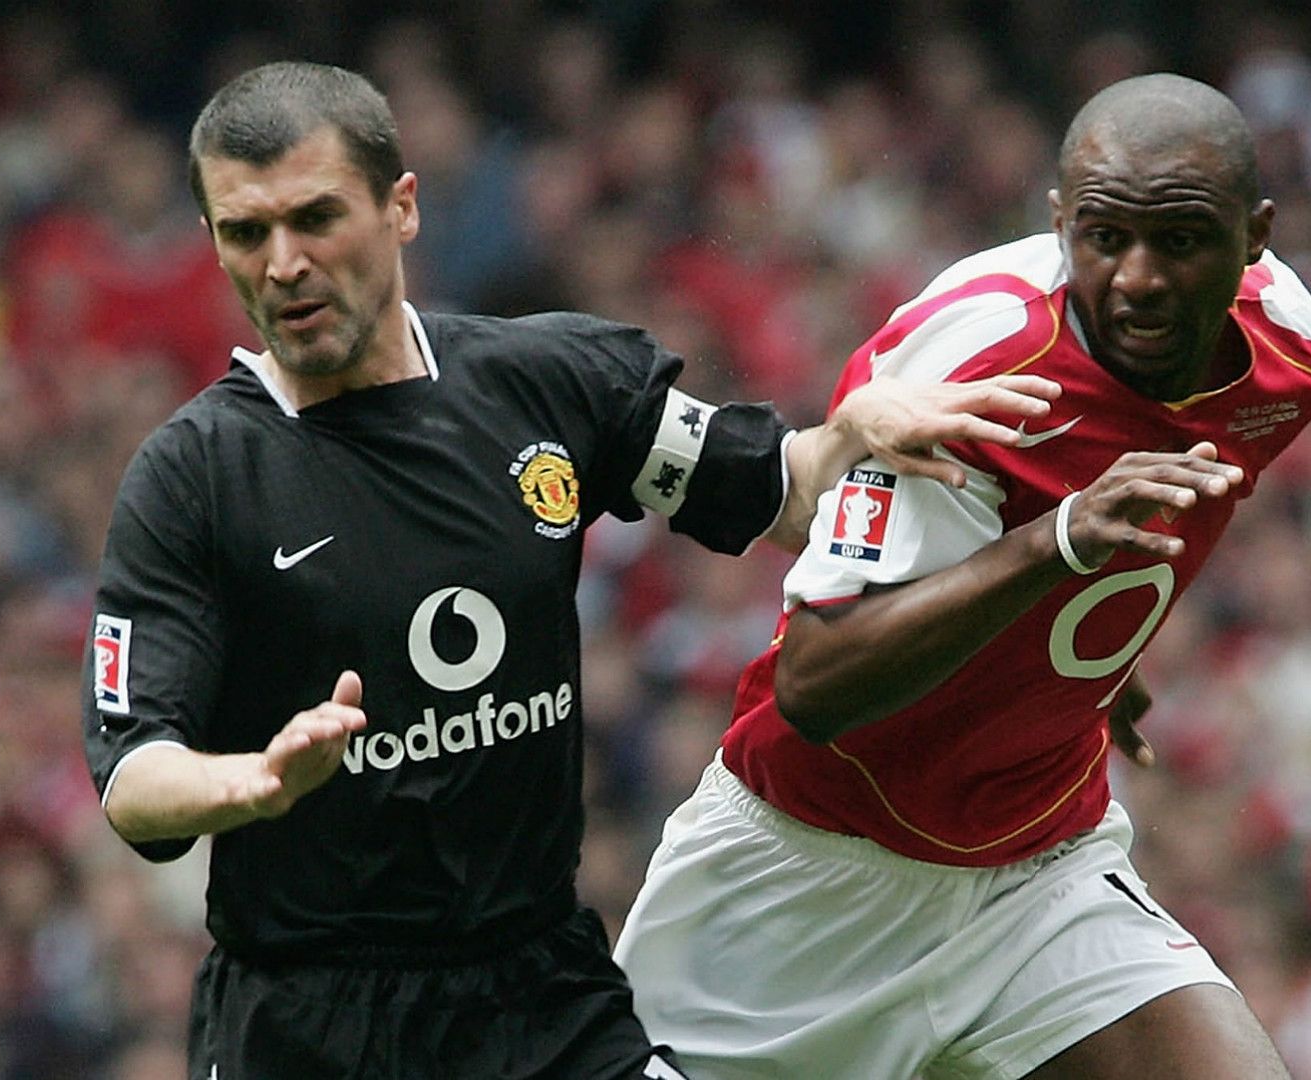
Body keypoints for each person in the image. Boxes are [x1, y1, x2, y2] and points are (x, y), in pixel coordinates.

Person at [78, 61, 1056, 1080]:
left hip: (537, 995)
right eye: (246, 233)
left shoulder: (549, 383)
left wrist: (854, 431)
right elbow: (135, 777)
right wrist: (253, 781)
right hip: (309, 1025)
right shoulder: (191, 477)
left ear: (400, 207)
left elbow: (780, 492)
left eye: (316, 218)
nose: (284, 263)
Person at [612, 72, 1311, 1079]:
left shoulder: (1293, 358)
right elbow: (816, 684)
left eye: (1179, 240)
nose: (1137, 276)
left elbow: (1133, 525)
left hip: (1036, 874)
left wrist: (1070, 666)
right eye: (1102, 238)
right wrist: (1057, 549)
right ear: (1058, 226)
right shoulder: (980, 373)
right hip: (807, 881)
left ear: (1255, 236)